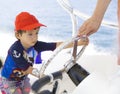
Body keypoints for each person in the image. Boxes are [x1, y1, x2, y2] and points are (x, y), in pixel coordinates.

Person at [0, 11, 88, 94]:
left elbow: (56, 45)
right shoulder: (15, 50)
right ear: (18, 35)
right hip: (9, 80)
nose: (34, 37)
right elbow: (28, 69)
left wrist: (78, 43)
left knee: (27, 90)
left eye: (36, 33)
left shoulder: (36, 45)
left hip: (23, 79)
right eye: (30, 34)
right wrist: (46, 77)